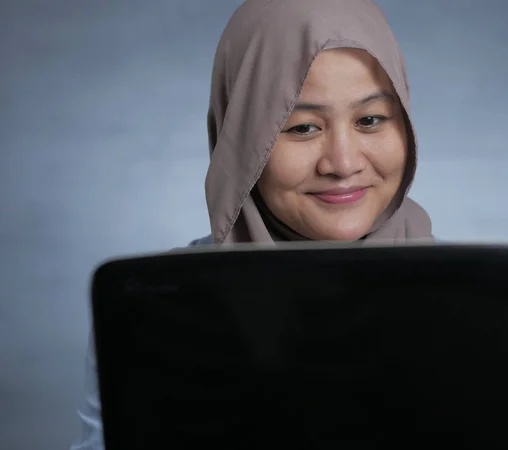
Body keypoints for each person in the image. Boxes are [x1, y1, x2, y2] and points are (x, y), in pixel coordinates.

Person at [69, 0, 433, 448]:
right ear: (241, 140)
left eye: (371, 120)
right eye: (301, 128)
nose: (342, 162)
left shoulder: (474, 304)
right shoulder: (157, 306)